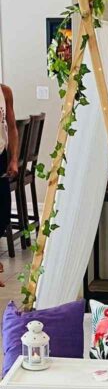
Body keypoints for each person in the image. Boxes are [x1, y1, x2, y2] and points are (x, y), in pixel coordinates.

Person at [0, 83, 19, 285]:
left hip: (0, 157)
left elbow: (12, 128)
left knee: (3, 212)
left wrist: (14, 159)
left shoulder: (5, 92)